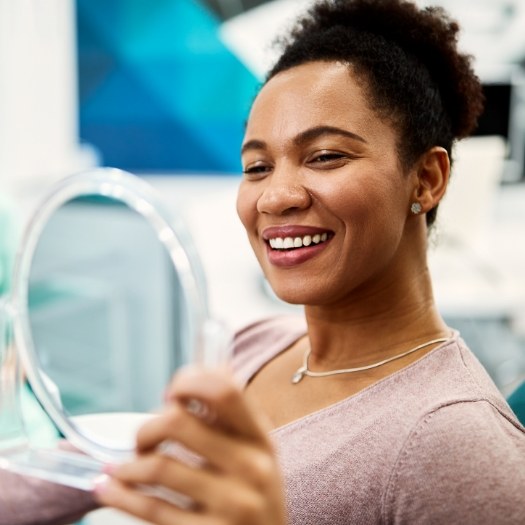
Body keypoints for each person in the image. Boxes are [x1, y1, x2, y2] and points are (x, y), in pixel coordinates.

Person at [2, 0, 524, 523]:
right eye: (257, 166)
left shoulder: (457, 443)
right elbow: (83, 472)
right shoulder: (254, 348)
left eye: (325, 156)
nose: (275, 197)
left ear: (427, 179)